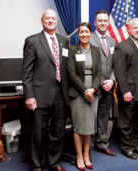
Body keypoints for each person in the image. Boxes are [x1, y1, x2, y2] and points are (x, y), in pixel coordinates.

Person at [22, 9, 69, 171]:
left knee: (58, 131)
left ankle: (54, 162)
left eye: (53, 19)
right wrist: (29, 96)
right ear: (42, 21)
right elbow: (26, 72)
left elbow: (64, 68)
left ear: (56, 21)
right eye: (47, 18)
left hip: (60, 93)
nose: (50, 21)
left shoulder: (64, 41)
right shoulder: (33, 41)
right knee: (39, 133)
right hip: (40, 94)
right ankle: (38, 165)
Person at [67, 22, 102, 170]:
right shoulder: (72, 50)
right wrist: (85, 91)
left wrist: (92, 89)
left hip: (93, 93)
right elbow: (71, 74)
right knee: (79, 126)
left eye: (87, 32)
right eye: (81, 32)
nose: (84, 35)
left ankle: (86, 154)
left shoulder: (95, 50)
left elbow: (98, 72)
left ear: (90, 33)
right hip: (77, 93)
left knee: (89, 126)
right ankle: (79, 156)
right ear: (78, 34)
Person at [113, 18, 138, 160]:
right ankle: (127, 147)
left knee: (137, 121)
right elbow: (119, 72)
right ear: (129, 29)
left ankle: (135, 144)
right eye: (135, 28)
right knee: (126, 122)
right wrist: (124, 91)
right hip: (128, 92)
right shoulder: (121, 46)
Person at [89, 10, 116, 156]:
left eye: (105, 20)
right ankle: (88, 146)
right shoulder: (89, 39)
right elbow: (87, 65)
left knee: (104, 117)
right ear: (95, 22)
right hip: (94, 87)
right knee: (91, 117)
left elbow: (114, 64)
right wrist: (100, 82)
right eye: (100, 20)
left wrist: (111, 80)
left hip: (109, 87)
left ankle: (103, 143)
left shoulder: (112, 41)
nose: (103, 23)